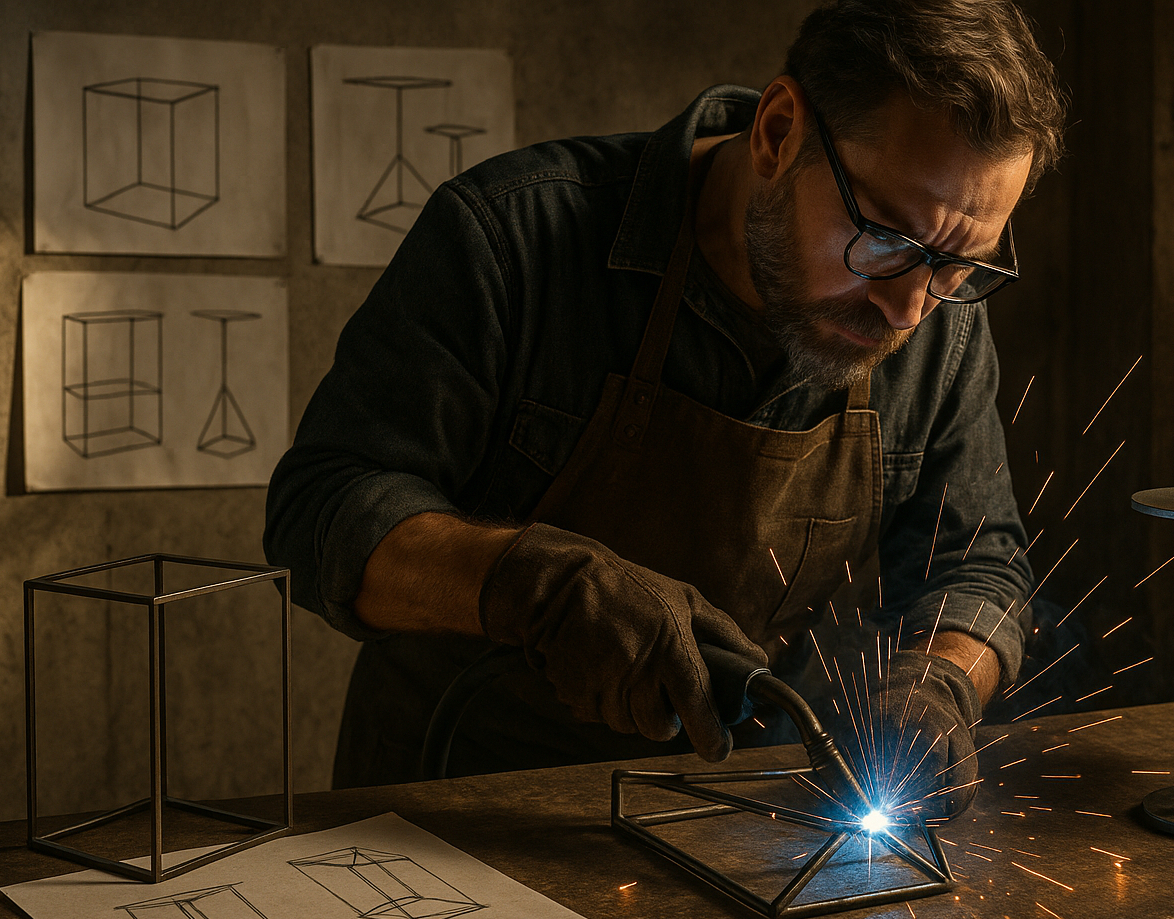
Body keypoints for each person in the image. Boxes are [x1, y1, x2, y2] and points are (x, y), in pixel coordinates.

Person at [264, 0, 1065, 819]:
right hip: (458, 809)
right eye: (885, 235)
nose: (907, 307)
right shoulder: (510, 239)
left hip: (743, 819)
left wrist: (940, 680)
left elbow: (978, 563)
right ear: (778, 132)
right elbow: (319, 510)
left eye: (959, 264)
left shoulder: (941, 323)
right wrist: (531, 584)